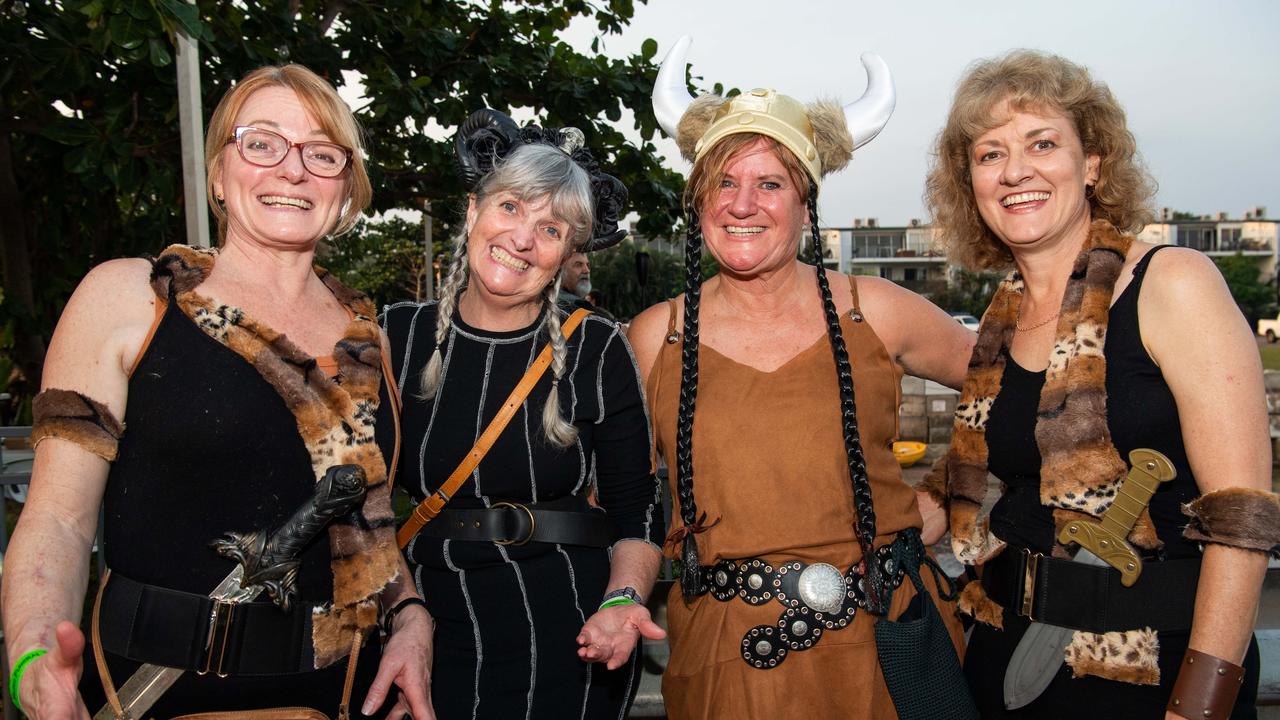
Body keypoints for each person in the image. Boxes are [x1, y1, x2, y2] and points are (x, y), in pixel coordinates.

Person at [1, 64, 432, 719]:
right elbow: (58, 518)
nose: (291, 170)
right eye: (261, 142)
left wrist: (409, 619)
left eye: (321, 153)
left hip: (340, 694)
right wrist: (32, 656)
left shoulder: (369, 340)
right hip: (152, 690)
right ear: (220, 174)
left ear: (345, 187)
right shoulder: (129, 300)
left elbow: (369, 529)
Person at [922, 50, 1278, 719]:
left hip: (1151, 671)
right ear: (969, 181)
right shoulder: (1002, 318)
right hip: (1008, 654)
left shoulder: (1172, 283)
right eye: (989, 154)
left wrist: (1199, 704)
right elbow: (964, 480)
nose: (1015, 170)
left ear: (1093, 164)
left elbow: (1242, 520)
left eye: (1043, 143)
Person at [627, 38, 976, 718]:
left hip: (884, 644)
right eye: (724, 182)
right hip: (729, 659)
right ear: (698, 200)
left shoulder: (871, 308)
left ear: (804, 201)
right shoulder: (654, 334)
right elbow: (618, 492)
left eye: (769, 184)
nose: (742, 203)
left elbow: (1012, 388)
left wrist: (951, 497)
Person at [379, 109, 664, 719]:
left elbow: (636, 514)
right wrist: (402, 612)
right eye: (510, 207)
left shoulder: (596, 347)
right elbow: (361, 508)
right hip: (423, 627)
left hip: (570, 637)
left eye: (552, 228)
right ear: (472, 211)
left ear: (567, 255)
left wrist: (621, 601)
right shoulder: (395, 335)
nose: (523, 239)